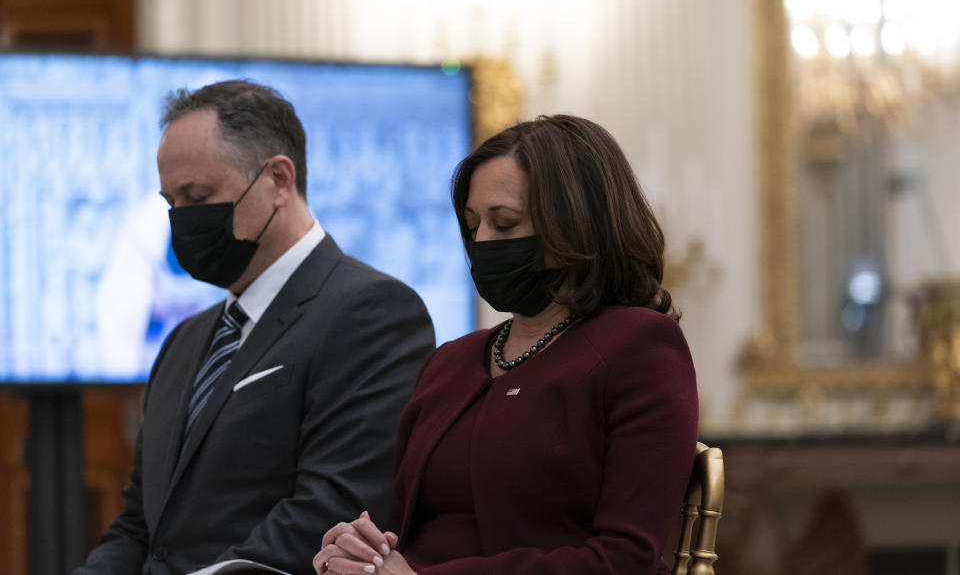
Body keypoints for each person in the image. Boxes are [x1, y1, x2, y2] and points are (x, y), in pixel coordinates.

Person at [74, 80, 436, 575]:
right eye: (170, 202)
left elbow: (331, 511)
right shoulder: (184, 340)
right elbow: (141, 526)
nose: (180, 221)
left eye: (197, 196)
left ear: (279, 181)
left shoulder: (373, 312)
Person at [313, 114, 699, 575]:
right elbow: (402, 533)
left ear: (577, 227)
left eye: (505, 223)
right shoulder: (449, 362)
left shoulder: (640, 347)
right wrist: (361, 555)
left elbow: (624, 559)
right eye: (473, 225)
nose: (481, 243)